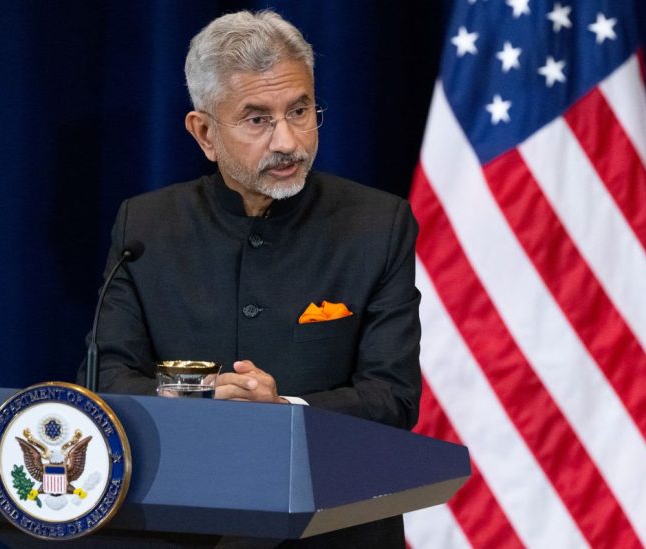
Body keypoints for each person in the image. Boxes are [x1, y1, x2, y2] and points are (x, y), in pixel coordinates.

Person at [77, 9, 421, 547]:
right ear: (205, 132)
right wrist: (202, 400)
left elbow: (392, 396)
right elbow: (106, 380)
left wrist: (281, 414)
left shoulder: (378, 225)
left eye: (300, 110)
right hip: (184, 526)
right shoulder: (145, 227)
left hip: (331, 528)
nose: (288, 141)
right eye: (257, 119)